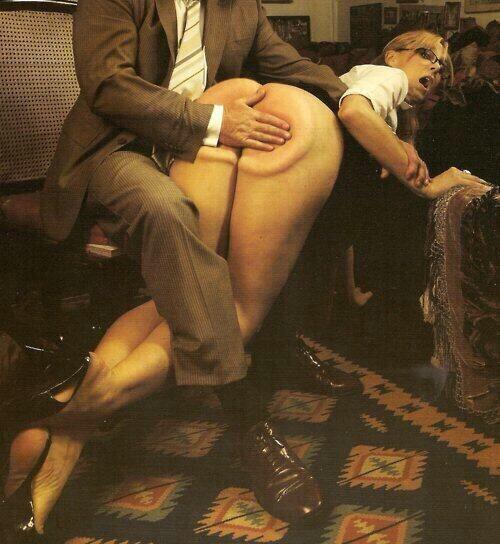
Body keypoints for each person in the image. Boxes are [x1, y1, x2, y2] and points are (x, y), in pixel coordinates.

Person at [3, 18, 484, 541]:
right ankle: (248, 425)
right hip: (124, 148)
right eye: (428, 57)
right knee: (209, 268)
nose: (437, 69)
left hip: (204, 140)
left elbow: (301, 69)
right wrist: (215, 120)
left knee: (185, 294)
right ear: (395, 54)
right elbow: (108, 87)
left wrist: (374, 118)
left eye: (443, 66)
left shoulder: (240, 9)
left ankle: (62, 412)